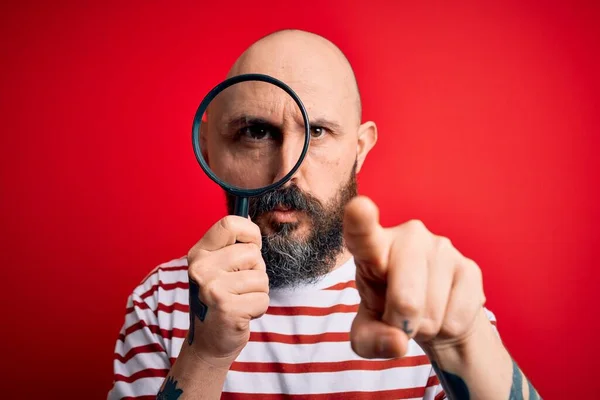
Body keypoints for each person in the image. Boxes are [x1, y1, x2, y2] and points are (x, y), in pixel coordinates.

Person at [108, 29, 541, 400]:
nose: (285, 172)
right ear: (210, 148)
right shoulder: (160, 302)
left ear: (360, 149)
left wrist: (461, 341)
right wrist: (205, 354)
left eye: (317, 131)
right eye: (257, 132)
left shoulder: (426, 296)